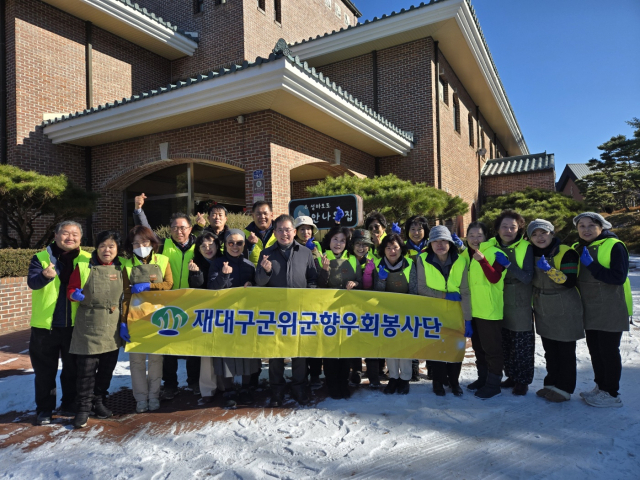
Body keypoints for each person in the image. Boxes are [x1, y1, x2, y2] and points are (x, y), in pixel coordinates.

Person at [133, 194, 201, 397]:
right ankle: (170, 384)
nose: (179, 231)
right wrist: (138, 210)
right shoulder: (162, 246)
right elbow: (146, 232)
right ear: (170, 229)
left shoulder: (200, 246)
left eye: (183, 227)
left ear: (190, 229)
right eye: (175, 228)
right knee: (167, 344)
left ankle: (194, 381)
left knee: (193, 345)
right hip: (166, 302)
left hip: (193, 302)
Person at [28, 221, 91, 425]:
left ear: (81, 239)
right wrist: (45, 276)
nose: (70, 237)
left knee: (73, 369)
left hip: (75, 326)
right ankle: (44, 409)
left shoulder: (87, 259)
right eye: (65, 233)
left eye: (75, 234)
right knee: (45, 372)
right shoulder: (41, 258)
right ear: (55, 235)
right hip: (45, 326)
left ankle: (69, 402)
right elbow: (33, 282)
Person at [255, 214, 318, 407]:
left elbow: (312, 279)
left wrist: (309, 297)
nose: (284, 233)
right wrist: (265, 272)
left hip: (299, 311)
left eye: (288, 229)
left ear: (294, 232)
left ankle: (299, 386)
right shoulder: (266, 253)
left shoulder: (305, 253)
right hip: (275, 312)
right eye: (280, 230)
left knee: (299, 351)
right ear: (274, 233)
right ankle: (277, 388)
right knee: (276, 353)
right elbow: (259, 283)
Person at [67, 231, 125, 428]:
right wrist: (74, 294)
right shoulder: (84, 266)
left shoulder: (122, 267)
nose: (106, 250)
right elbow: (71, 289)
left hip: (112, 326)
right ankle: (83, 408)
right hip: (89, 325)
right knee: (86, 371)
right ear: (96, 247)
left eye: (111, 246)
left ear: (117, 250)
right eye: (102, 246)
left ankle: (98, 401)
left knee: (107, 369)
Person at [573, 212, 632, 408]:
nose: (586, 229)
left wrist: (593, 265)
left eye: (591, 225)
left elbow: (618, 277)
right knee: (595, 350)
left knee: (608, 351)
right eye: (582, 226)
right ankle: (601, 387)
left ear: (602, 226)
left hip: (610, 307)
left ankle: (612, 394)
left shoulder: (614, 245)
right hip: (589, 308)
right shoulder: (579, 247)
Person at [410, 226, 471, 396]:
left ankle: (453, 381)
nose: (439, 244)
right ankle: (437, 382)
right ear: (430, 243)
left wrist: (468, 319)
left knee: (455, 348)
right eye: (435, 241)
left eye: (444, 240)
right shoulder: (422, 259)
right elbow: (421, 288)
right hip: (433, 311)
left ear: (450, 243)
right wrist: (444, 295)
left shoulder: (460, 261)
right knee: (435, 349)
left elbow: (465, 291)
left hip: (455, 312)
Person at [527, 219, 583, 403]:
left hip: (564, 304)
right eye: (534, 234)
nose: (539, 237)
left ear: (551, 233)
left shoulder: (565, 252)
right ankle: (551, 383)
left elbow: (569, 281)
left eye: (543, 232)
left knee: (565, 349)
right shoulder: (531, 252)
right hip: (542, 304)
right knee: (549, 349)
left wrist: (550, 270)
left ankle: (565, 388)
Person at [120, 225, 173, 413]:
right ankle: (141, 398)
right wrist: (123, 321)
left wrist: (149, 287)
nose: (141, 246)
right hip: (135, 317)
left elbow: (168, 284)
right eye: (136, 243)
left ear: (152, 243)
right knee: (136, 362)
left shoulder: (163, 260)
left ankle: (154, 395)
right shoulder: (125, 263)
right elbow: (125, 295)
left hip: (157, 317)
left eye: (144, 242)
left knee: (156, 360)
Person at [207, 229, 261, 408]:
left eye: (239, 243)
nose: (235, 246)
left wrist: (252, 285)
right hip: (225, 317)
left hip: (245, 317)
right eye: (231, 243)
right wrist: (223, 275)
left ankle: (246, 388)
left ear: (244, 245)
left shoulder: (249, 265)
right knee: (226, 355)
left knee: (246, 353)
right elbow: (212, 289)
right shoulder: (217, 263)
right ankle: (229, 390)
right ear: (225, 244)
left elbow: (257, 286)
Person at [486, 210, 534, 396]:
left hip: (520, 299)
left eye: (512, 227)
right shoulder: (491, 246)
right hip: (498, 297)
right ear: (497, 229)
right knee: (505, 341)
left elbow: (527, 277)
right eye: (504, 226)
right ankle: (512, 375)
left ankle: (523, 380)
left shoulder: (526, 247)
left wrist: (508, 265)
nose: (508, 230)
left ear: (519, 229)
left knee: (522, 342)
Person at [460, 222, 506, 399]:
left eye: (479, 235)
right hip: (472, 310)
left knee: (492, 349)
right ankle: (483, 378)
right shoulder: (464, 255)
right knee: (478, 348)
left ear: (486, 237)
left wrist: (483, 261)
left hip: (489, 310)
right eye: (471, 235)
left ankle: (494, 384)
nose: (475, 239)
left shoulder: (495, 252)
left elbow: (495, 278)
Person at [318, 226, 362, 399]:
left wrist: (355, 284)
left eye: (342, 240)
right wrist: (324, 270)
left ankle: (343, 382)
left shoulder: (352, 259)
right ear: (329, 240)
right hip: (328, 312)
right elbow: (318, 286)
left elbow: (360, 281)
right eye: (335, 239)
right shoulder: (322, 257)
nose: (338, 243)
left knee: (345, 349)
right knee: (330, 350)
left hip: (347, 312)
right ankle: (331, 383)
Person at [372, 233, 414, 395]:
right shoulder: (378, 264)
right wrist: (381, 280)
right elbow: (376, 293)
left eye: (395, 247)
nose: (392, 251)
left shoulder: (409, 264)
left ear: (401, 248)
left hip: (406, 312)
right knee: (390, 347)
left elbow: (414, 289)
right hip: (386, 313)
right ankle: (393, 378)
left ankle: (405, 379)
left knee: (405, 347)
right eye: (388, 248)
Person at [187, 232, 220, 403]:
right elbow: (197, 289)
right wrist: (196, 274)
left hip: (224, 314)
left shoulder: (224, 260)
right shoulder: (194, 264)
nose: (208, 249)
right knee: (206, 352)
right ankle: (207, 389)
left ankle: (224, 385)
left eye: (211, 244)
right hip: (205, 314)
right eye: (203, 246)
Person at [293, 215, 323, 389]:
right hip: (297, 299)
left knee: (313, 338)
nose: (306, 232)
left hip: (314, 297)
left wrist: (315, 254)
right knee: (300, 339)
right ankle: (301, 374)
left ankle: (315, 374)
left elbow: (320, 271)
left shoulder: (317, 246)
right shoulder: (293, 247)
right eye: (302, 229)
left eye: (309, 229)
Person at [348, 229, 380, 388]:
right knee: (353, 339)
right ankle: (356, 371)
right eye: (358, 244)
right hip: (351, 307)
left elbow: (379, 283)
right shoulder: (348, 259)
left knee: (370, 341)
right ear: (352, 245)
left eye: (365, 245)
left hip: (370, 306)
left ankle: (374, 375)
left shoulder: (374, 260)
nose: (361, 248)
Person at [245, 201, 277, 266]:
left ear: (272, 215)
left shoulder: (280, 232)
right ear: (253, 216)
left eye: (265, 213)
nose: (262, 216)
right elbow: (239, 257)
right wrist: (249, 244)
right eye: (258, 214)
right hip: (253, 274)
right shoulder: (244, 234)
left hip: (276, 274)